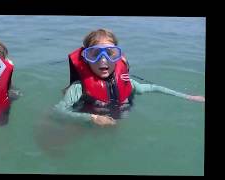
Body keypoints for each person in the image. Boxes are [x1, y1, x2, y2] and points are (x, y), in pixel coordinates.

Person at [54, 28, 205, 127]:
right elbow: (58, 111)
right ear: (86, 59)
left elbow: (155, 88)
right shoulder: (79, 88)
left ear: (118, 57)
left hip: (117, 124)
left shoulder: (128, 83)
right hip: (90, 126)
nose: (103, 60)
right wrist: (92, 118)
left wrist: (188, 97)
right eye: (95, 54)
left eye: (110, 53)